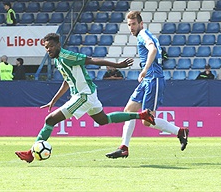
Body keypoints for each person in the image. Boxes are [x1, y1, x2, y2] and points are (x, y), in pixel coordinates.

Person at [15, 33, 156, 163]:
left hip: (84, 95)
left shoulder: (66, 56)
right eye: (46, 47)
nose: (49, 49)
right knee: (103, 120)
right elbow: (67, 80)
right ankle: (142, 115)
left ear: (58, 45)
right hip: (88, 93)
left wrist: (117, 65)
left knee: (50, 120)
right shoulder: (58, 60)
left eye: (51, 46)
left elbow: (91, 60)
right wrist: (54, 100)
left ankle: (30, 153)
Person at [105, 11, 189, 159]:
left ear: (141, 24)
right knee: (128, 111)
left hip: (154, 79)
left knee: (146, 121)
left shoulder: (144, 34)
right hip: (147, 80)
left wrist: (144, 69)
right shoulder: (143, 35)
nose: (131, 27)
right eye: (129, 25)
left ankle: (180, 132)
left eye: (134, 24)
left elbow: (153, 49)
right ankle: (124, 147)